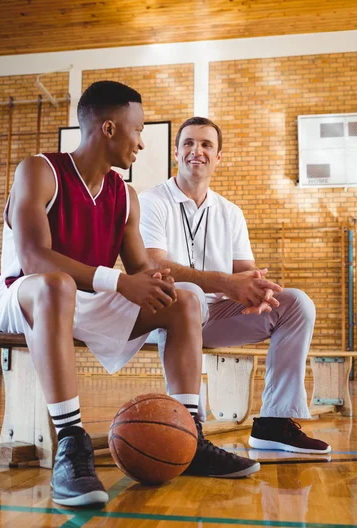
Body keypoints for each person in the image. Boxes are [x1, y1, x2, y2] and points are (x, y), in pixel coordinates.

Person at [0, 85, 275, 508]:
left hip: (88, 298)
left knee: (187, 299)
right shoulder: (40, 170)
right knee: (56, 284)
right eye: (137, 129)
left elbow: (143, 271)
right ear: (108, 128)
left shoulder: (126, 196)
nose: (141, 141)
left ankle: (189, 435)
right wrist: (121, 284)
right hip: (25, 297)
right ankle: (70, 440)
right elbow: (34, 260)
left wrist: (218, 284)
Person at [139, 116, 331, 455]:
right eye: (188, 143)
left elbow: (243, 271)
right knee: (191, 295)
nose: (196, 151)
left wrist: (260, 288)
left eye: (206, 144)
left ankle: (275, 422)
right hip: (166, 315)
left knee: (297, 303)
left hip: (215, 316)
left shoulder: (230, 212)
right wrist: (226, 283)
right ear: (176, 152)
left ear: (218, 157)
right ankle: (188, 424)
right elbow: (155, 266)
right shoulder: (151, 201)